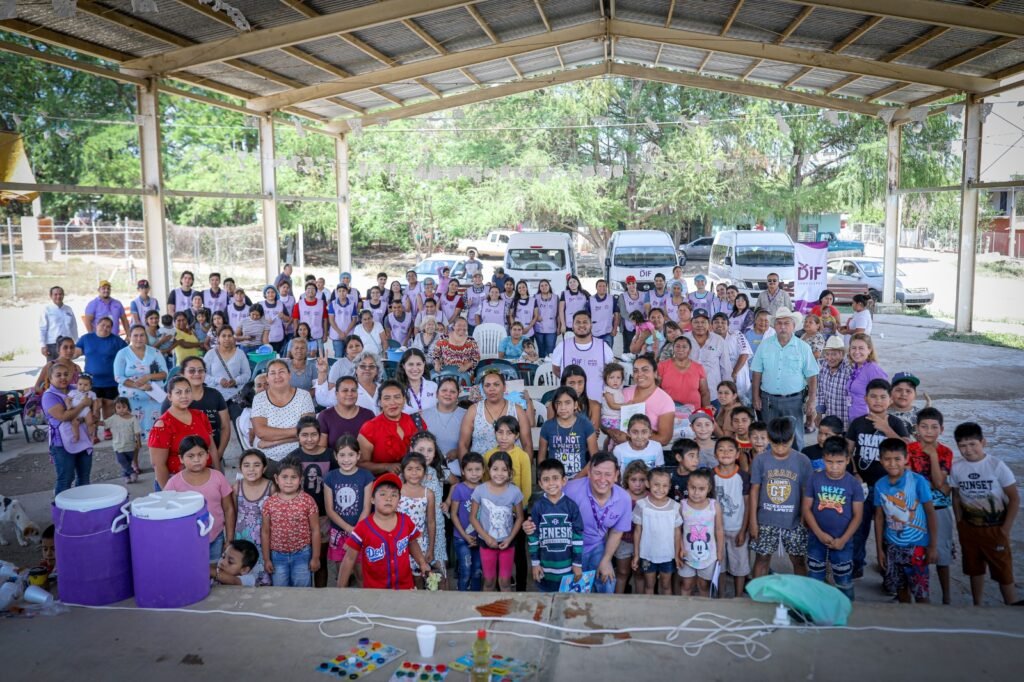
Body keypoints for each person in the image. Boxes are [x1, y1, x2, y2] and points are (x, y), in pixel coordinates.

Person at [949, 422, 1020, 606]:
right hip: (970, 528)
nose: (968, 449)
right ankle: (977, 605)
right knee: (974, 569)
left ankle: (1011, 603)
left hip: (995, 528)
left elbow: (1014, 498)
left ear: (983, 442)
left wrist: (1005, 529)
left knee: (1003, 570)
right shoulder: (957, 468)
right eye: (962, 446)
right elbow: (956, 496)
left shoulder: (996, 465)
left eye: (973, 444)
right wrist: (959, 522)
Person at [540, 452, 632, 594]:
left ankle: (602, 614)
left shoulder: (624, 499)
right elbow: (546, 506)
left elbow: (616, 532)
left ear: (616, 475)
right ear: (588, 473)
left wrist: (606, 560)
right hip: (569, 547)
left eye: (608, 474)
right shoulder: (570, 489)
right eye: (597, 473)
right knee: (569, 588)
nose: (602, 479)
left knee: (607, 581)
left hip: (597, 545)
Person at [846, 378, 910, 580]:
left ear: (890, 400)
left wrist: (886, 428)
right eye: (873, 396)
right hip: (863, 486)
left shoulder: (896, 423)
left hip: (888, 488)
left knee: (888, 530)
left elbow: (907, 449)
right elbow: (848, 452)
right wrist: (854, 473)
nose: (878, 401)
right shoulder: (858, 423)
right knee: (859, 528)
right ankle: (856, 565)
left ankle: (887, 569)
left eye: (883, 397)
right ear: (865, 398)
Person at [337, 472, 432, 590]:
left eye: (394, 495)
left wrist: (422, 563)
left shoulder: (405, 520)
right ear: (372, 499)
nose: (389, 498)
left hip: (405, 588)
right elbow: (349, 559)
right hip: (375, 591)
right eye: (383, 494)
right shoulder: (363, 527)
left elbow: (412, 542)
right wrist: (339, 590)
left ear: (399, 500)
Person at [874, 438, 938, 604]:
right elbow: (879, 517)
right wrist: (880, 549)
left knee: (921, 592)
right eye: (887, 459)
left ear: (906, 459)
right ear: (880, 460)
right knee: (901, 589)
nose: (892, 463)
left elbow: (931, 513)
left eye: (897, 459)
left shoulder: (918, 481)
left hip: (917, 547)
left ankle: (924, 625)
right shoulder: (879, 485)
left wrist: (932, 546)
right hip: (892, 546)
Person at [749, 418, 812, 579]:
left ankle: (801, 597)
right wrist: (753, 522)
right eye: (776, 444)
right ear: (769, 439)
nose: (780, 449)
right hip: (765, 521)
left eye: (785, 444)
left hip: (794, 522)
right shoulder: (760, 460)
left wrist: (805, 519)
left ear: (792, 438)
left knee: (798, 560)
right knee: (762, 558)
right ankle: (757, 595)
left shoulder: (802, 460)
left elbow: (806, 492)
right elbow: (754, 490)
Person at [801, 436, 863, 601]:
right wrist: (819, 534)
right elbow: (806, 509)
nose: (834, 467)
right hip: (816, 538)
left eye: (839, 462)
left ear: (848, 460)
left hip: (843, 541)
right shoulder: (814, 478)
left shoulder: (853, 484)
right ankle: (814, 608)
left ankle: (846, 608)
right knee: (815, 576)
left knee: (843, 579)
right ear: (823, 459)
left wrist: (843, 539)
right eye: (829, 462)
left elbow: (858, 516)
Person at [750, 307, 818, 451]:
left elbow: (812, 375)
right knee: (769, 436)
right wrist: (755, 397)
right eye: (779, 323)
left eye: (786, 323)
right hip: (768, 400)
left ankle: (796, 467)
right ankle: (770, 469)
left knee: (795, 436)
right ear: (774, 326)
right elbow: (757, 372)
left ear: (793, 326)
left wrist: (812, 400)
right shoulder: (765, 345)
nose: (782, 327)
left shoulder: (803, 347)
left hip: (794, 400)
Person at [905, 407, 954, 605]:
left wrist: (933, 456)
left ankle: (946, 596)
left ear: (941, 429)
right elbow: (909, 480)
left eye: (934, 427)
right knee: (914, 553)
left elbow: (939, 482)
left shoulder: (945, 452)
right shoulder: (909, 450)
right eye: (924, 427)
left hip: (939, 508)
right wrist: (935, 484)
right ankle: (914, 593)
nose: (929, 431)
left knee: (942, 554)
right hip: (915, 509)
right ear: (917, 429)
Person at [165, 435, 235, 563]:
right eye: (190, 456)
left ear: (208, 455)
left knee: (214, 569)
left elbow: (228, 509)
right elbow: (166, 515)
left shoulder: (218, 477)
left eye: (200, 454)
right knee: (191, 568)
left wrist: (229, 539)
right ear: (181, 458)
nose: (196, 459)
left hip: (216, 536)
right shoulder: (173, 483)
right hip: (186, 539)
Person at [288, 416, 334, 587]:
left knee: (320, 559)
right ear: (298, 437)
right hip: (299, 517)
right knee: (302, 558)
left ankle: (320, 594)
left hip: (323, 516)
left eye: (313, 435)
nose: (309, 439)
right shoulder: (293, 457)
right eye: (304, 435)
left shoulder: (330, 455)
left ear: (320, 435)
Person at [470, 451, 525, 593]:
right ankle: (487, 613)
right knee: (489, 581)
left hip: (507, 543)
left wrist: (510, 538)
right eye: (495, 469)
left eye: (504, 469)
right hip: (486, 543)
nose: (499, 473)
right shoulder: (480, 490)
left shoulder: (515, 492)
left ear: (510, 472)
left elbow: (519, 517)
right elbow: (473, 518)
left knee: (505, 581)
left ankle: (506, 613)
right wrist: (487, 538)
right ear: (489, 470)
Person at [261, 457, 321, 587]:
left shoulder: (307, 501)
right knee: (280, 592)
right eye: (285, 477)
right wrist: (266, 559)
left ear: (301, 479)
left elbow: (315, 530)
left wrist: (315, 557)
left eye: (293, 477)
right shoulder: (269, 503)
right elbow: (265, 532)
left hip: (302, 554)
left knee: (302, 592)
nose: (289, 481)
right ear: (277, 479)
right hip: (277, 556)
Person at [148, 376, 216, 489]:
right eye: (178, 392)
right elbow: (158, 465)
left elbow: (212, 448)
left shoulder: (200, 416)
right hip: (176, 483)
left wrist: (217, 476)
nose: (184, 396)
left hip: (204, 478)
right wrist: (169, 494)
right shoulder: (163, 425)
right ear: (170, 396)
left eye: (187, 391)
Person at [324, 435, 374, 587]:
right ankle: (343, 606)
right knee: (342, 575)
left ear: (358, 455)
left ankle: (363, 606)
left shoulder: (366, 476)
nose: (346, 459)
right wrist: (348, 530)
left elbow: (366, 508)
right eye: (342, 455)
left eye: (351, 455)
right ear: (335, 456)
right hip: (339, 533)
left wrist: (355, 533)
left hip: (361, 532)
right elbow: (330, 510)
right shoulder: (330, 477)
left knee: (361, 573)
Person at [528, 458, 584, 592]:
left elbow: (577, 537)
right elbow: (533, 537)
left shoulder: (571, 506)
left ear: (564, 481)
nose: (551, 483)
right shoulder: (538, 507)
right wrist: (535, 563)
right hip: (545, 568)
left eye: (555, 478)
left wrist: (577, 564)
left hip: (568, 568)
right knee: (545, 603)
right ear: (540, 484)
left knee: (566, 605)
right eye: (546, 480)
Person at [42, 363, 94, 495]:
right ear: (50, 378)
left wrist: (85, 416)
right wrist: (83, 404)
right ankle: (61, 512)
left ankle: (81, 508)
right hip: (61, 444)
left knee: (84, 479)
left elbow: (91, 406)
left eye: (66, 374)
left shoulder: (76, 388)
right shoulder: (49, 396)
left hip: (83, 439)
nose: (63, 378)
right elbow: (64, 417)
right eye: (58, 375)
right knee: (65, 479)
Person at [251, 359, 315, 464]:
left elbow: (308, 431)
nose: (277, 376)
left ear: (289, 375)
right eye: (272, 373)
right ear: (267, 378)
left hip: (299, 458)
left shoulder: (304, 396)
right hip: (267, 460)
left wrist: (273, 441)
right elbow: (261, 432)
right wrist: (297, 433)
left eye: (281, 372)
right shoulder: (259, 398)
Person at [631, 468, 683, 596]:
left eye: (665, 485)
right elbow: (637, 531)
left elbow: (677, 533)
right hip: (647, 554)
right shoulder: (641, 505)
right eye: (656, 485)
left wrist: (676, 555)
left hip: (667, 555)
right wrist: (637, 555)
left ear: (670, 486)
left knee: (666, 585)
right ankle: (649, 612)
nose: (660, 489)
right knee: (649, 585)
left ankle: (666, 613)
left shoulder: (675, 506)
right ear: (648, 484)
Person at [458, 371, 532, 457]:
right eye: (487, 385)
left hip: (512, 467)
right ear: (482, 389)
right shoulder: (473, 410)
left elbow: (527, 445)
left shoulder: (517, 410)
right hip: (480, 468)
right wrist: (465, 469)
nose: (491, 389)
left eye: (496, 385)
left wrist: (525, 468)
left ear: (504, 387)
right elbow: (463, 444)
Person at [111, 325, 166, 437]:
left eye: (142, 335)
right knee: (132, 438)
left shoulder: (155, 352)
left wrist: (148, 377)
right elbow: (118, 377)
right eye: (135, 335)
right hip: (131, 403)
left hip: (154, 400)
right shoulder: (122, 353)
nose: (139, 338)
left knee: (156, 435)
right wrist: (138, 386)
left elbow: (164, 373)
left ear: (146, 337)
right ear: (130, 337)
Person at [410, 432, 451, 581]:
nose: (425, 454)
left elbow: (456, 483)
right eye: (421, 450)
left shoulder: (439, 472)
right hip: (415, 530)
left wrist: (448, 502)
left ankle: (442, 601)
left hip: (437, 527)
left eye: (429, 450)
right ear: (411, 449)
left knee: (440, 569)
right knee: (416, 569)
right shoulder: (406, 473)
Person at [714, 437, 751, 598]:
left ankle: (737, 597)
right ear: (715, 454)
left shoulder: (743, 476)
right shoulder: (710, 476)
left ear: (737, 454)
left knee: (740, 566)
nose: (725, 453)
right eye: (721, 449)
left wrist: (744, 530)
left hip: (737, 529)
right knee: (719, 565)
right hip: (716, 530)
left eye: (730, 450)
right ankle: (721, 596)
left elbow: (748, 505)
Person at [358, 380, 421, 474]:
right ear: (380, 402)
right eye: (387, 398)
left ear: (404, 399)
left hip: (412, 480)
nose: (393, 402)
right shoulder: (370, 427)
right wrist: (385, 467)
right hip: (381, 483)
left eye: (397, 397)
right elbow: (360, 464)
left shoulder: (413, 420)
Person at [679, 469, 724, 597]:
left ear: (708, 489)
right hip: (687, 555)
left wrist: (720, 552)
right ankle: (683, 610)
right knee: (686, 585)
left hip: (709, 556)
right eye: (692, 488)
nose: (696, 492)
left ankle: (703, 609)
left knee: (704, 585)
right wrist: (681, 549)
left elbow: (719, 529)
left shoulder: (714, 506)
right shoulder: (682, 506)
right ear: (687, 485)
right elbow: (678, 530)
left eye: (701, 489)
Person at [233, 449, 273, 586]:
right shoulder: (237, 487)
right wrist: (230, 539)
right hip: (242, 538)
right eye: (246, 465)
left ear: (264, 467)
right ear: (240, 468)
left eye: (256, 465)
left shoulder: (271, 487)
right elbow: (233, 513)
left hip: (265, 540)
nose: (251, 469)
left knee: (263, 575)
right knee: (243, 573)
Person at [539, 386, 597, 479]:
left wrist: (578, 477)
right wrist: (548, 477)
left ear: (575, 405)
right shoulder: (547, 426)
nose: (563, 408)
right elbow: (541, 458)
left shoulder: (586, 425)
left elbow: (595, 457)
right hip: (554, 479)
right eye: (558, 403)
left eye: (567, 403)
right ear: (554, 405)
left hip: (580, 477)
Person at [75, 315, 127, 421]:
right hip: (91, 382)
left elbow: (128, 355)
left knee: (109, 406)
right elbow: (75, 353)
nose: (105, 328)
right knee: (95, 407)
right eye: (102, 325)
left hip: (111, 381)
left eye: (108, 326)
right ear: (96, 325)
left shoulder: (116, 341)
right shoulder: (86, 338)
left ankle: (107, 429)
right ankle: (94, 432)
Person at [397, 453, 436, 589]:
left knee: (419, 577)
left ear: (424, 472)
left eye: (418, 469)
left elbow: (431, 522)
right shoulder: (397, 491)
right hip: (399, 543)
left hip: (420, 543)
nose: (414, 473)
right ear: (403, 472)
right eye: (410, 469)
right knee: (400, 577)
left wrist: (431, 548)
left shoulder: (428, 493)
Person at [451, 452, 485, 591]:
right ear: (463, 472)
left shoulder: (485, 489)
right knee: (465, 571)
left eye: (477, 469)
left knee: (477, 571)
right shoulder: (459, 489)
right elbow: (453, 514)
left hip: (480, 538)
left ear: (483, 470)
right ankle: (461, 600)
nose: (474, 473)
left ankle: (475, 601)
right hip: (461, 538)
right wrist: (465, 536)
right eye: (470, 470)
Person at [685, 311, 733, 409]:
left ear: (709, 324)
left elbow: (726, 368)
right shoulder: (683, 338)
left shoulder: (718, 340)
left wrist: (728, 392)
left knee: (713, 422)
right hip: (689, 393)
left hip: (714, 393)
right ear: (691, 323)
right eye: (696, 322)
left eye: (703, 322)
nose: (700, 325)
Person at [421, 376, 466, 468]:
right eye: (444, 390)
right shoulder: (424, 415)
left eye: (452, 392)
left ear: (458, 395)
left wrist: (459, 451)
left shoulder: (466, 415)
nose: (448, 394)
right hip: (430, 466)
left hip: (457, 465)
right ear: (437, 394)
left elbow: (471, 443)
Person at [658, 336, 710, 412]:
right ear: (673, 349)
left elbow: (705, 393)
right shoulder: (662, 366)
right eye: (677, 346)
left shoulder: (698, 367)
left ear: (690, 350)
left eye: (684, 347)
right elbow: (656, 389)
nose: (680, 349)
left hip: (693, 413)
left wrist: (707, 413)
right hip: (669, 411)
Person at [545, 364, 602, 429]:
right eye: (571, 383)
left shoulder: (594, 406)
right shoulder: (553, 407)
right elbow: (553, 434)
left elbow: (593, 435)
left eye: (580, 383)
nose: (576, 388)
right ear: (564, 384)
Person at [712, 313, 753, 401]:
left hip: (738, 379)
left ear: (728, 325)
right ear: (711, 325)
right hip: (719, 381)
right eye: (716, 322)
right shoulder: (710, 339)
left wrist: (734, 373)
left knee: (742, 407)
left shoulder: (737, 334)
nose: (720, 324)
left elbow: (744, 354)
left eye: (723, 322)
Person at [205, 326, 251, 403]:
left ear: (233, 338)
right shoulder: (210, 354)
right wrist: (218, 380)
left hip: (236, 396)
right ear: (218, 338)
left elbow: (247, 374)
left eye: (230, 336)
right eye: (223, 336)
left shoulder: (240, 353)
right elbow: (203, 375)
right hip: (215, 395)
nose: (227, 338)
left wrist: (236, 381)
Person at [816, 336, 852, 429]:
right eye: (827, 354)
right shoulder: (823, 366)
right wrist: (819, 414)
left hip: (847, 422)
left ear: (842, 354)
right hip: (831, 421)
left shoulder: (848, 370)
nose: (830, 358)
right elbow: (820, 392)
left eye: (834, 354)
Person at [104, 397, 142, 484]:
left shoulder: (133, 418)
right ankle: (132, 472)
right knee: (121, 460)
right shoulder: (114, 418)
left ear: (128, 407)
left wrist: (138, 443)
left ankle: (126, 476)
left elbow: (137, 432)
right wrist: (95, 421)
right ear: (115, 408)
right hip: (118, 445)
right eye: (118, 407)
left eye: (124, 407)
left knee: (128, 461)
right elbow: (105, 423)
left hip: (130, 445)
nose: (121, 409)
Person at [39, 286, 78, 360]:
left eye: (60, 294)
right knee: (53, 368)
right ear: (51, 296)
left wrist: (75, 343)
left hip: (67, 344)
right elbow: (43, 329)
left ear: (63, 295)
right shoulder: (47, 310)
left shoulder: (68, 309)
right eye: (55, 294)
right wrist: (43, 345)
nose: (58, 296)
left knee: (67, 368)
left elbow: (73, 327)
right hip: (53, 345)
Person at [292, 281, 328, 350]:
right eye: (308, 289)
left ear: (316, 292)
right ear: (305, 291)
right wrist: (296, 334)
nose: (310, 291)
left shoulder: (322, 303)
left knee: (320, 357)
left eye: (313, 289)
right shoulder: (299, 304)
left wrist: (325, 334)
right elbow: (295, 320)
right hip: (303, 336)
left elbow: (325, 320)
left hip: (318, 336)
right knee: (304, 356)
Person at [889, 371, 924, 436]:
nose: (903, 394)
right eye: (899, 390)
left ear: (915, 395)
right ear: (890, 392)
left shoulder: (922, 415)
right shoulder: (882, 413)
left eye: (908, 391)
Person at [67, 374, 98, 444]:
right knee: (74, 423)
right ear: (76, 384)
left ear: (90, 386)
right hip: (75, 411)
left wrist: (95, 411)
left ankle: (91, 435)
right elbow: (67, 399)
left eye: (86, 385)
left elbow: (95, 402)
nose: (82, 387)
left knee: (90, 422)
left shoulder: (91, 393)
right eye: (80, 384)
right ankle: (76, 436)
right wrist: (68, 405)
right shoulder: (73, 392)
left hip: (86, 411)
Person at [667, 438, 700, 503]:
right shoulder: (669, 476)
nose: (696, 460)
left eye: (697, 456)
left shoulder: (699, 477)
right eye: (691, 456)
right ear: (679, 457)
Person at [589, 279, 618, 347]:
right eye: (600, 286)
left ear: (606, 287)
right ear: (596, 288)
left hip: (608, 332)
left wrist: (615, 329)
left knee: (608, 354)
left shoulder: (612, 299)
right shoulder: (590, 300)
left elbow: (617, 315)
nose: (602, 288)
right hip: (594, 333)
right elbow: (587, 317)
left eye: (604, 286)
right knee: (596, 354)